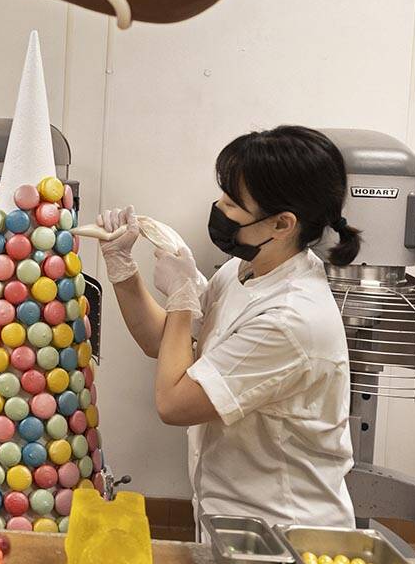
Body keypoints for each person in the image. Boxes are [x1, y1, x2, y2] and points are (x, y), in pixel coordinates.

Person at [98, 125, 360, 528]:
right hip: (232, 518)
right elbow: (163, 343)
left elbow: (174, 402)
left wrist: (183, 298)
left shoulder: (290, 320)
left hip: (283, 529)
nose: (219, 209)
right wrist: (122, 267)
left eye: (233, 203)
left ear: (282, 224)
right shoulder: (247, 270)